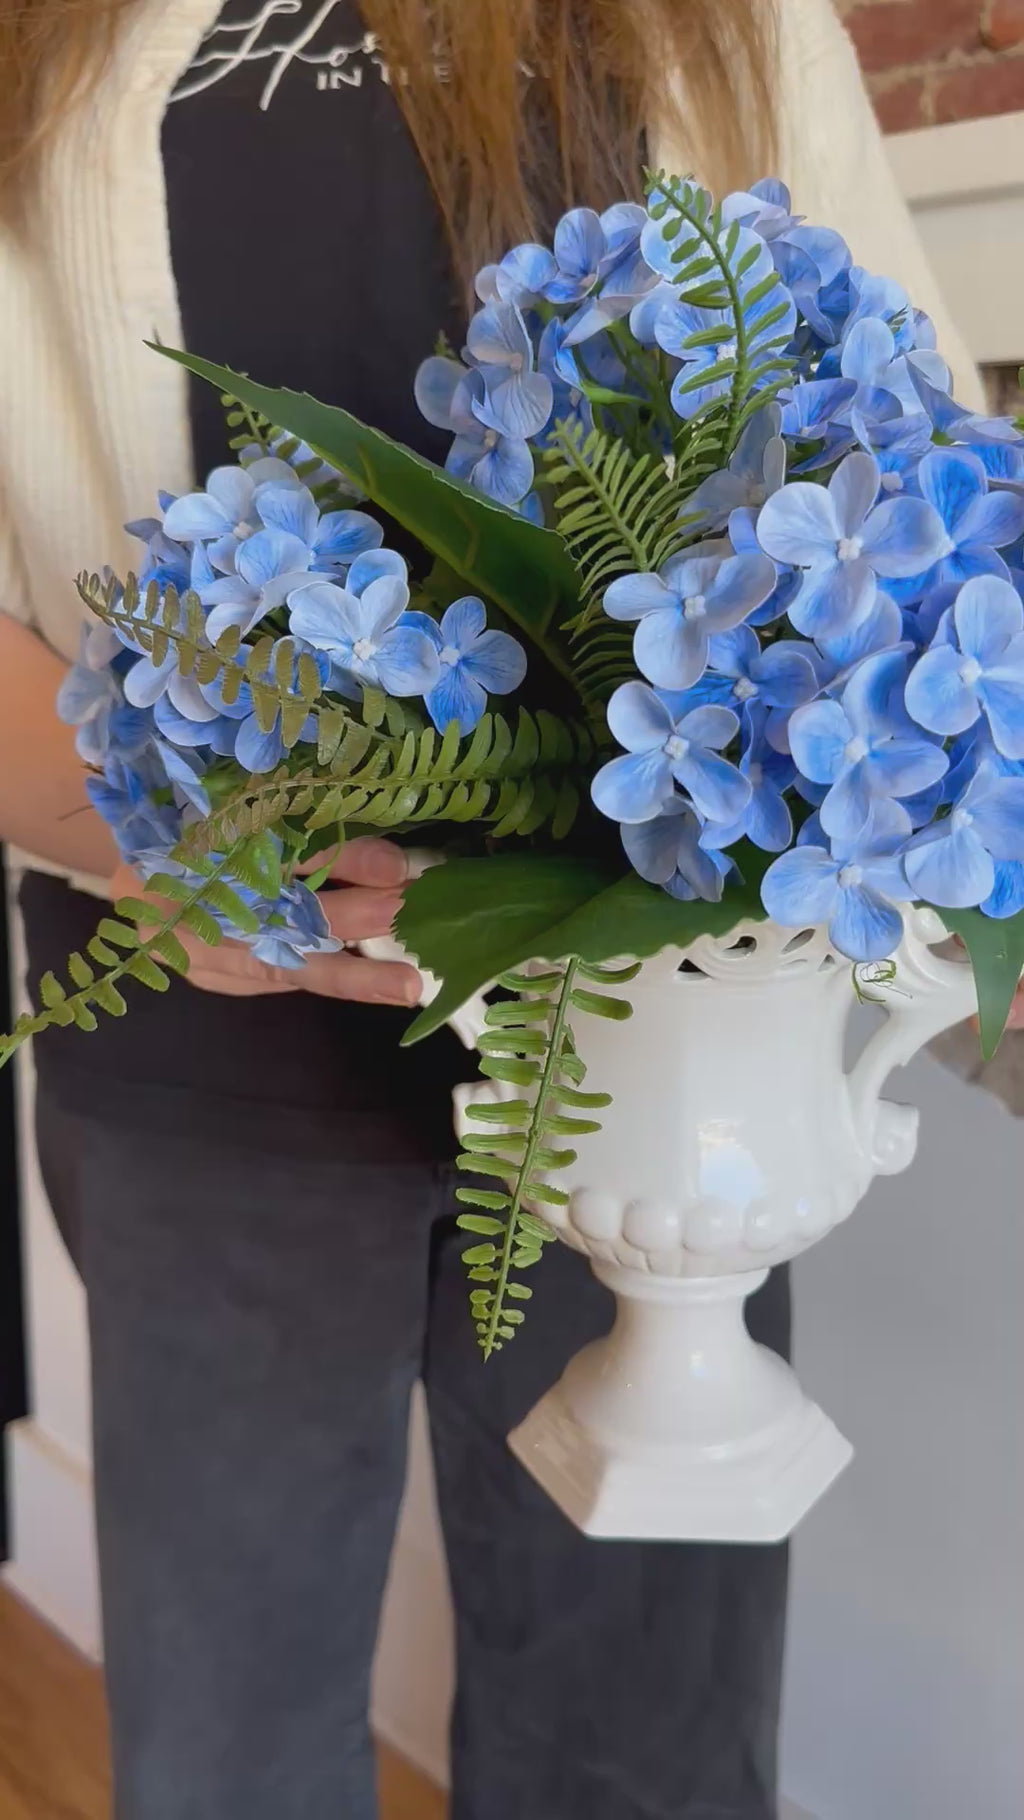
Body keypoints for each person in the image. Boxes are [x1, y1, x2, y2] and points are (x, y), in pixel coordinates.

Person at [0, 2, 988, 1816]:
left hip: (652, 1051)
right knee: (225, 1749)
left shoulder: (727, 17)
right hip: (206, 1067)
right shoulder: (42, 41)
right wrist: (165, 828)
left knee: (646, 1752)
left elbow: (922, 462)